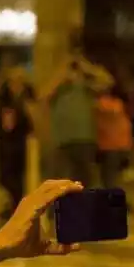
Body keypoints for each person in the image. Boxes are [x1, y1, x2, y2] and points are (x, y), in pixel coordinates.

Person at [42, 49, 113, 187]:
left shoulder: (86, 88)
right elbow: (43, 95)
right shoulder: (58, 88)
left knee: (84, 180)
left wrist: (87, 68)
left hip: (84, 139)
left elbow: (108, 81)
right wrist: (61, 76)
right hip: (62, 140)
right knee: (60, 181)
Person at [0, 65, 37, 222]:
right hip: (7, 144)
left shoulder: (25, 100)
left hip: (19, 143)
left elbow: (31, 124)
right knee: (7, 177)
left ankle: (15, 210)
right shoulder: (5, 102)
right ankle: (10, 208)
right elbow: (2, 124)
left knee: (17, 179)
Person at [95, 81, 133, 190]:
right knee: (114, 176)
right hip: (122, 144)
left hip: (110, 145)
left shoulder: (102, 104)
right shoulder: (119, 104)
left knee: (108, 177)